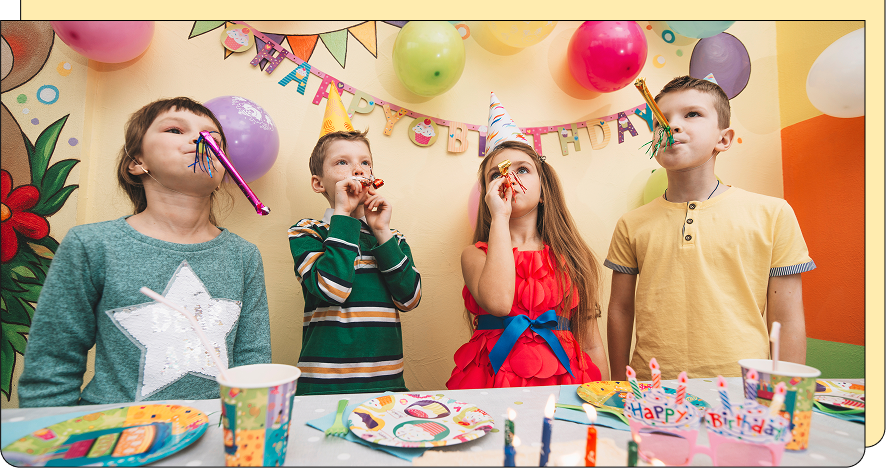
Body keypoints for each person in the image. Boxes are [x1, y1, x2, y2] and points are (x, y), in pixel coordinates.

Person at [17, 97, 272, 407]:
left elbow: (253, 363)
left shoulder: (244, 256)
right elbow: (52, 363)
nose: (201, 139)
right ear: (136, 163)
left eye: (214, 138)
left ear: (223, 171)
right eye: (176, 130)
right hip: (113, 438)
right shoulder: (91, 245)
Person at [606, 76, 815, 381]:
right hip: (651, 388)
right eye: (660, 120)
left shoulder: (773, 214)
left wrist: (787, 394)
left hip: (745, 387)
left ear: (724, 139)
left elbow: (786, 318)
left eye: (692, 114)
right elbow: (620, 311)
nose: (672, 126)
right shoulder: (631, 224)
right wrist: (619, 383)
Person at [447, 93, 607, 389]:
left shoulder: (573, 257)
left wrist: (604, 398)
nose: (510, 178)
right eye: (497, 173)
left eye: (522, 169)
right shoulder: (474, 256)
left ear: (544, 189)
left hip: (563, 379)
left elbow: (592, 342)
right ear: (487, 193)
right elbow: (498, 302)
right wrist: (499, 218)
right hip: (495, 379)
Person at [288, 87, 421, 395]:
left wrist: (382, 232)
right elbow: (332, 290)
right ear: (318, 183)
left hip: (386, 387)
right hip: (323, 387)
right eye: (342, 163)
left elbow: (410, 299)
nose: (357, 169)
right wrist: (345, 217)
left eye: (365, 163)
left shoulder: (391, 237)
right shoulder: (308, 232)